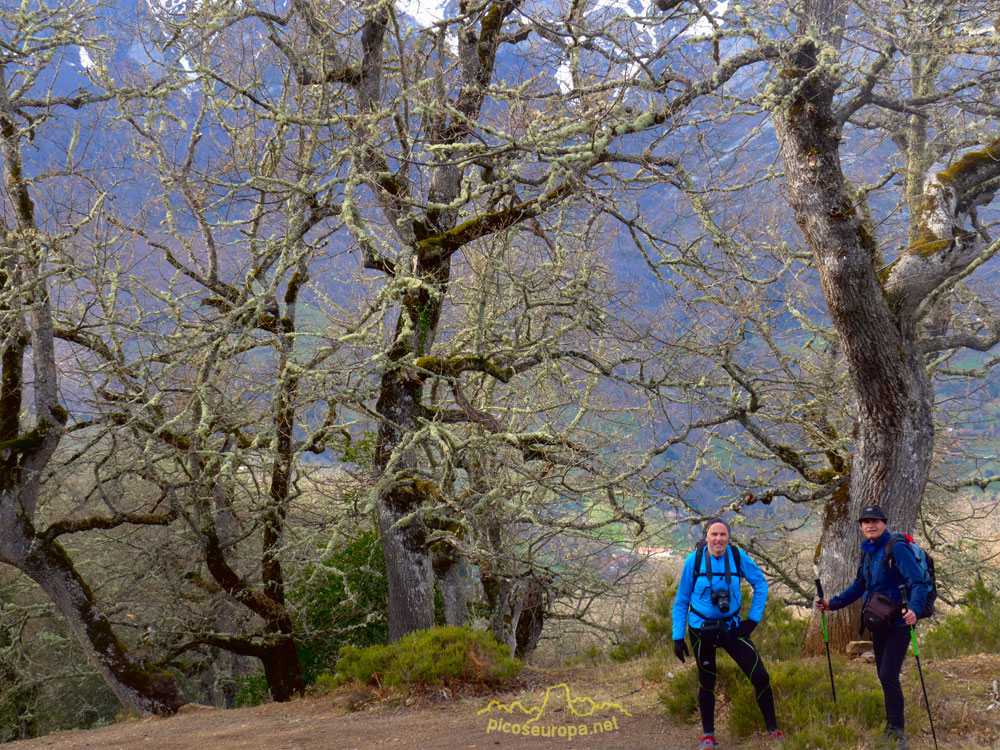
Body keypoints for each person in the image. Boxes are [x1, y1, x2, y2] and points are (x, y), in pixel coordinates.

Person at [814, 504, 930, 750]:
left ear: (884, 523)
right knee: (883, 676)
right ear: (862, 527)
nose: (870, 525)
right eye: (866, 522)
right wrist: (831, 604)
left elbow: (918, 583)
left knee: (888, 675)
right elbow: (859, 585)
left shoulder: (896, 548)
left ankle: (898, 733)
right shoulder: (866, 551)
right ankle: (891, 727)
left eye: (875, 521)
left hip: (899, 622)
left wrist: (915, 611)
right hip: (878, 622)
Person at [672, 518, 782, 749]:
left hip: (732, 627)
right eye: (714, 534)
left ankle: (773, 729)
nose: (719, 539)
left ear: (728, 537)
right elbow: (682, 600)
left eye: (723, 534)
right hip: (701, 628)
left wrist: (752, 620)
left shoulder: (738, 556)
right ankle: (708, 736)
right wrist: (678, 636)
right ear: (706, 538)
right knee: (706, 681)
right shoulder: (695, 560)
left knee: (760, 677)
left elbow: (760, 584)